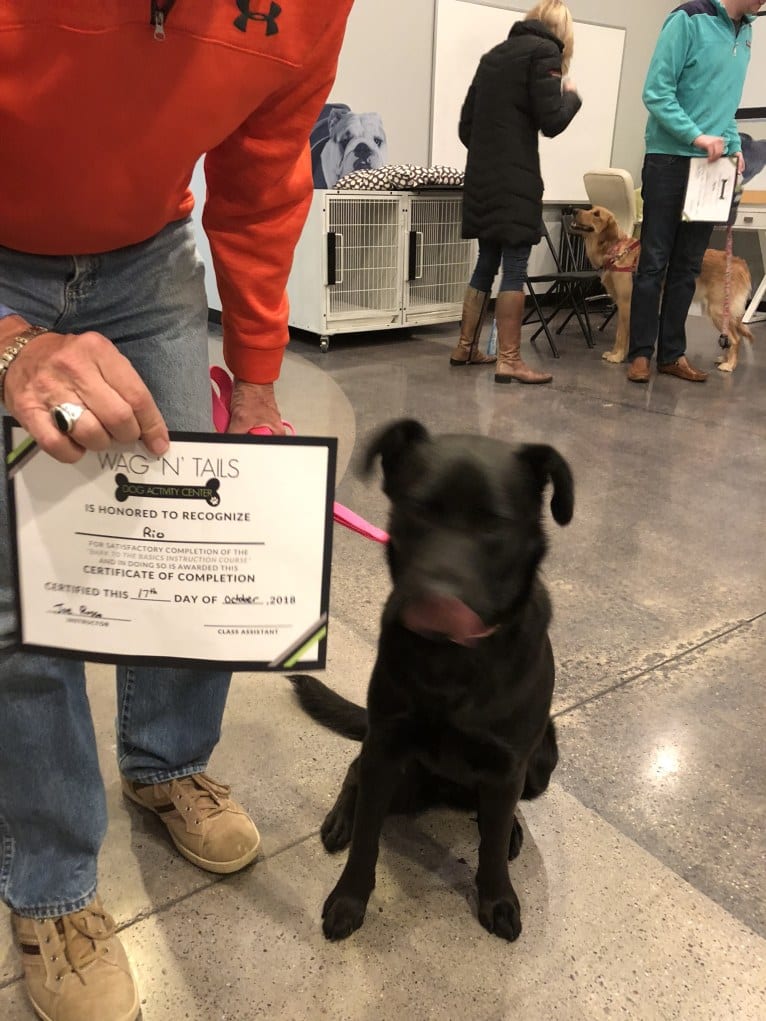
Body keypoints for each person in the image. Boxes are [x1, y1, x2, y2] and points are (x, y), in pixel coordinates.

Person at [0, 4, 353, 1020]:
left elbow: (262, 177)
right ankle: (53, 884)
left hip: (147, 258)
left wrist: (255, 379)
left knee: (187, 538)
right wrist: (10, 346)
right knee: (25, 591)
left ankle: (168, 764)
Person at [626, 0, 763, 384]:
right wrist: (696, 136)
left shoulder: (748, 31)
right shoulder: (687, 18)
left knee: (688, 265)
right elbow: (656, 92)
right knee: (654, 261)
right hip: (669, 160)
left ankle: (672, 354)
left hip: (710, 170)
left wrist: (734, 147)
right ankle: (640, 354)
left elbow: (726, 109)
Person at [449, 0, 581, 384]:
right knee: (516, 266)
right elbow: (552, 120)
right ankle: (509, 359)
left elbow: (465, 129)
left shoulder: (493, 56)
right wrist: (570, 95)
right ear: (562, 32)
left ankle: (464, 347)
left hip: (482, 179)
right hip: (516, 180)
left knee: (486, 261)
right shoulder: (546, 53)